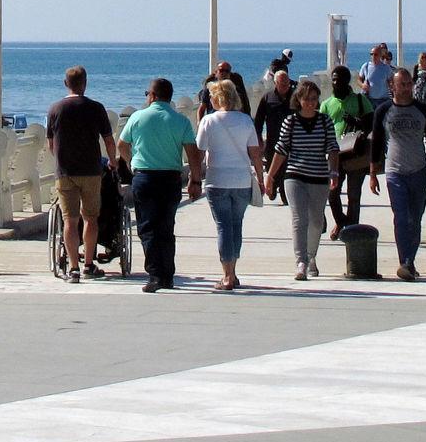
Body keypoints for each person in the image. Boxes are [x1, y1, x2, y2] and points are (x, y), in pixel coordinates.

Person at [118, 77, 202, 293]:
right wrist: (195, 180)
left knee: (148, 228)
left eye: (147, 93)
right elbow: (193, 153)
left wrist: (130, 162)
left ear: (153, 95)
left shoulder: (137, 117)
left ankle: (155, 274)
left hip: (145, 177)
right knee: (166, 226)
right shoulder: (180, 120)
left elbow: (122, 144)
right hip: (171, 178)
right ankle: (167, 274)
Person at [370, 67, 426, 281]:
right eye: (401, 84)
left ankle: (409, 260)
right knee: (401, 218)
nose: (406, 88)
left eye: (408, 83)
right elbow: (376, 143)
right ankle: (405, 261)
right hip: (395, 172)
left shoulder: (422, 110)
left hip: (418, 171)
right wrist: (373, 172)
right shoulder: (383, 111)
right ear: (391, 87)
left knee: (415, 219)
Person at [264, 76, 340, 280]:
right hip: (294, 176)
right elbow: (280, 150)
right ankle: (301, 262)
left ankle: (311, 256)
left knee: (316, 221)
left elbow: (333, 148)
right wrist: (270, 176)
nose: (310, 102)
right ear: (299, 100)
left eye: (314, 98)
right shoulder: (291, 121)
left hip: (318, 176)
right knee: (299, 219)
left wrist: (334, 172)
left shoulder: (325, 121)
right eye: (306, 99)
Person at [46, 65, 117, 283]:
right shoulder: (96, 108)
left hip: (65, 171)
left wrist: (60, 160)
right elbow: (108, 140)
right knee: (90, 218)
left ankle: (73, 267)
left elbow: (51, 144)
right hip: (91, 171)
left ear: (66, 83)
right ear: (85, 83)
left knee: (69, 220)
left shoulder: (55, 109)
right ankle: (88, 264)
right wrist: (113, 162)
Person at [195, 80, 263, 291]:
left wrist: (194, 178)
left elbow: (199, 150)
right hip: (241, 180)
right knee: (236, 225)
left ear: (216, 98)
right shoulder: (245, 121)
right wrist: (261, 179)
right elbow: (255, 154)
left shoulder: (208, 121)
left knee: (223, 226)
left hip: (217, 180)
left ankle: (227, 275)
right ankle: (233, 270)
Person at [320, 63, 374, 238]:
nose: (336, 84)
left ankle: (352, 231)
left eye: (340, 80)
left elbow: (372, 124)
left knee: (353, 195)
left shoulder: (359, 100)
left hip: (355, 153)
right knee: (332, 193)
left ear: (347, 81)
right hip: (334, 155)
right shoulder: (327, 104)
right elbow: (319, 128)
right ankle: (341, 221)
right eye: (334, 80)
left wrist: (357, 122)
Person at [251, 71, 294, 203]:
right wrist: (257, 138)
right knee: (272, 166)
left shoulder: (295, 97)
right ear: (275, 83)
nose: (285, 86)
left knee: (288, 167)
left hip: (292, 141)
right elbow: (258, 120)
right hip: (272, 140)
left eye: (287, 83)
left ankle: (285, 192)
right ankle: (273, 187)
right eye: (282, 84)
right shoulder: (267, 98)